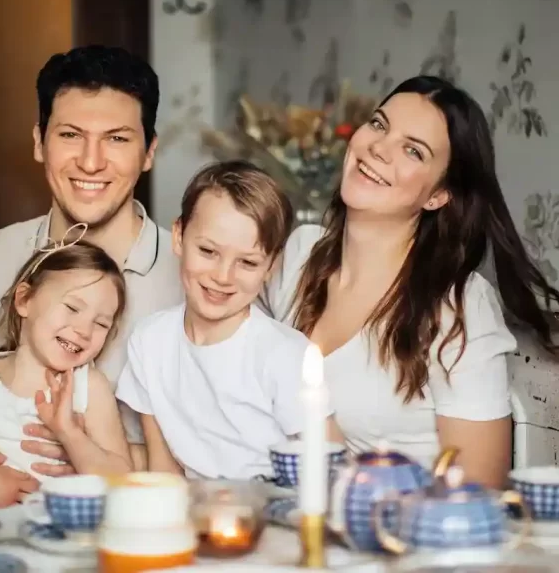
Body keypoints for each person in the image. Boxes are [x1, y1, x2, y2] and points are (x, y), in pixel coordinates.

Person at [262, 75, 559, 489]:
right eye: (380, 125)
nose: (378, 148)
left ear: (438, 196)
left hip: (397, 543)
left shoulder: (458, 308)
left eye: (413, 151)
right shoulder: (298, 254)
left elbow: (478, 493)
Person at [0, 45, 182, 492]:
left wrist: (98, 452)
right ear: (39, 142)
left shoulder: (197, 282)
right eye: (70, 135)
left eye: (117, 138)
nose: (91, 161)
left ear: (149, 152)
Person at [116, 161, 342, 479]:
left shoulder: (286, 355)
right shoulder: (149, 341)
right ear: (178, 236)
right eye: (208, 251)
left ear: (272, 266)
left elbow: (331, 467)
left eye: (248, 262)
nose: (223, 277)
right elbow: (163, 468)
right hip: (194, 515)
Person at [0, 227, 132, 491]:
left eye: (101, 323)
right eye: (72, 308)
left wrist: (70, 434)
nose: (84, 331)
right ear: (24, 299)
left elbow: (122, 480)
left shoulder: (89, 387)